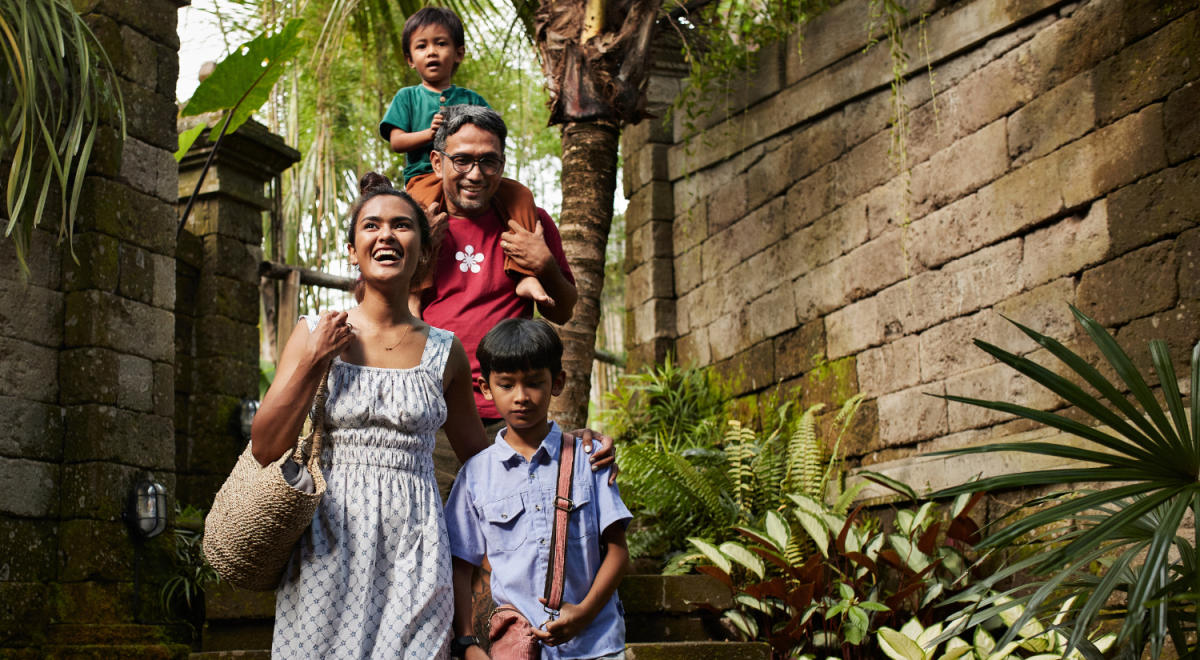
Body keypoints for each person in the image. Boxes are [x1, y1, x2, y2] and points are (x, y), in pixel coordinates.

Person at [253, 172, 492, 658]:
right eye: (372, 226)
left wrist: (562, 447)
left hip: (416, 546)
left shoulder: (446, 352)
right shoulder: (316, 331)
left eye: (402, 226)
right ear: (353, 248)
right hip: (326, 540)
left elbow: (481, 459)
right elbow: (265, 445)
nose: (386, 235)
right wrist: (314, 360)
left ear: (423, 251)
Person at [416, 104, 618, 496]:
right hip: (434, 412)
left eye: (489, 162)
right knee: (435, 533)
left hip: (511, 413)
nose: (476, 174)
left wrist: (544, 265)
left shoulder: (529, 225)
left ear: (503, 164)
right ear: (437, 162)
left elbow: (562, 309)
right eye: (462, 160)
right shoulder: (417, 226)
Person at [445, 319, 631, 660]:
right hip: (516, 650)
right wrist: (467, 644)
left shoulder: (588, 460)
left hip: (596, 645)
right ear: (485, 388)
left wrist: (585, 613)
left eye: (534, 383)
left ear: (556, 383)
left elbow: (618, 552)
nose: (521, 397)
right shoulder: (475, 475)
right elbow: (459, 566)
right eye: (505, 384)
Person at [380, 7, 551, 306]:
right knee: (419, 225)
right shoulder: (406, 97)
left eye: (441, 43)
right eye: (422, 46)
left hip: (472, 173)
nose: (431, 52)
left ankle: (525, 275)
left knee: (521, 195)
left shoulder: (472, 99)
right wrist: (428, 133)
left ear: (458, 53)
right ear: (410, 59)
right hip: (424, 178)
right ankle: (415, 292)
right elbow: (396, 141)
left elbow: (493, 131)